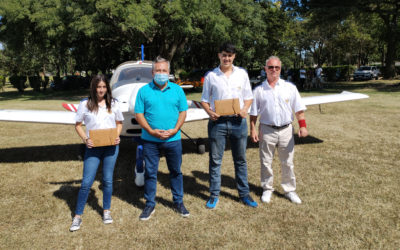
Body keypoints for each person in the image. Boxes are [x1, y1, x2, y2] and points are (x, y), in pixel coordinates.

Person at [201, 42, 257, 209]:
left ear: (234, 57)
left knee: (240, 160)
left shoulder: (242, 74)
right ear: (219, 55)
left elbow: (248, 97)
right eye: (224, 55)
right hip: (217, 123)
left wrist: (245, 109)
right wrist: (210, 113)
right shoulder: (211, 76)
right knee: (215, 160)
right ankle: (214, 195)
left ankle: (244, 194)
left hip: (238, 122)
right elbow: (204, 100)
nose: (227, 58)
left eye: (230, 55)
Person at [134, 56, 189, 221]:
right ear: (152, 72)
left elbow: (183, 112)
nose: (161, 73)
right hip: (150, 140)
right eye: (158, 70)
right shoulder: (143, 91)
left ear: (169, 72)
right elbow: (138, 114)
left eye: (164, 70)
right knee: (151, 173)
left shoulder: (178, 90)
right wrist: (151, 131)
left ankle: (178, 202)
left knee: (176, 172)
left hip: (173, 140)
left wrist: (175, 129)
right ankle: (150, 204)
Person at [249, 56, 308, 204]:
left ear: (280, 69)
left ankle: (289, 190)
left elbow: (299, 110)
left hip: (286, 130)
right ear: (265, 69)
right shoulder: (259, 90)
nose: (274, 70)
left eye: (277, 67)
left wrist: (303, 126)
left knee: (287, 162)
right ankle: (267, 189)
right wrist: (253, 130)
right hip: (267, 130)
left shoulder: (290, 88)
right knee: (266, 162)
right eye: (270, 67)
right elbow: (254, 114)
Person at [70, 74, 124, 231]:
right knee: (86, 182)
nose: (101, 90)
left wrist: (116, 136)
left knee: (107, 180)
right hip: (92, 148)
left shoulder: (113, 104)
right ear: (93, 88)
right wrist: (85, 139)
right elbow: (78, 125)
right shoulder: (85, 104)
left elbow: (119, 123)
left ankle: (106, 211)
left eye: (104, 87)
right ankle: (77, 216)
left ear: (107, 88)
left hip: (111, 147)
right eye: (98, 87)